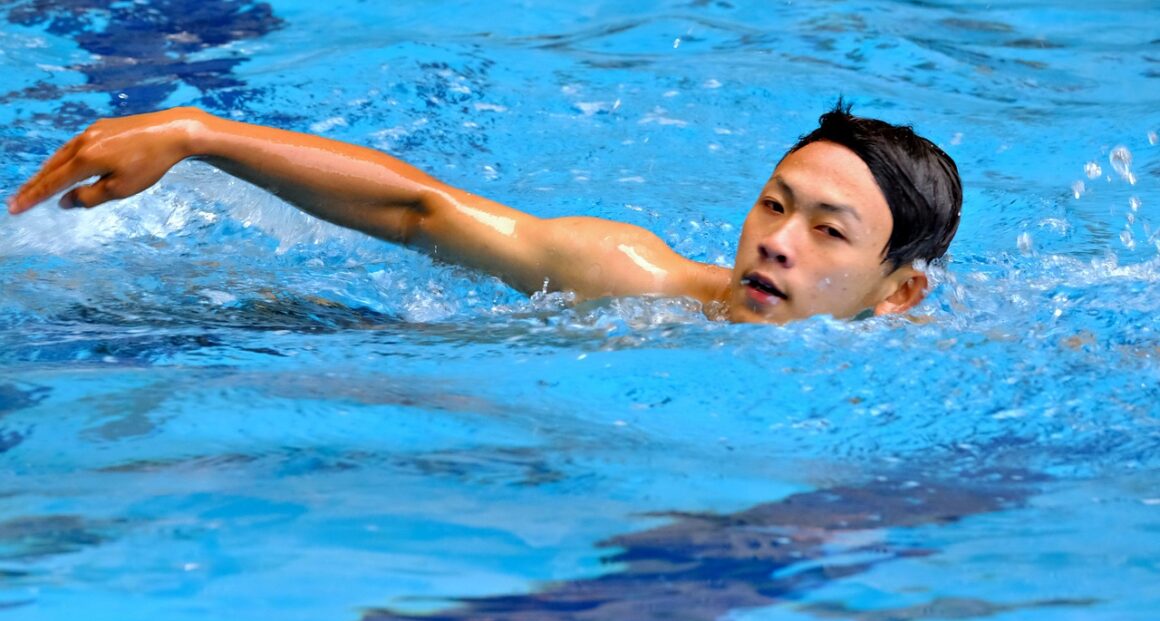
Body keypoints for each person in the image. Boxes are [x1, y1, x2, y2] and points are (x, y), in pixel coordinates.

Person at [6, 101, 961, 324]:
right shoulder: (632, 277)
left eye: (827, 231)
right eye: (773, 204)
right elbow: (422, 211)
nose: (776, 243)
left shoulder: (942, 366)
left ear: (899, 292)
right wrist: (196, 133)